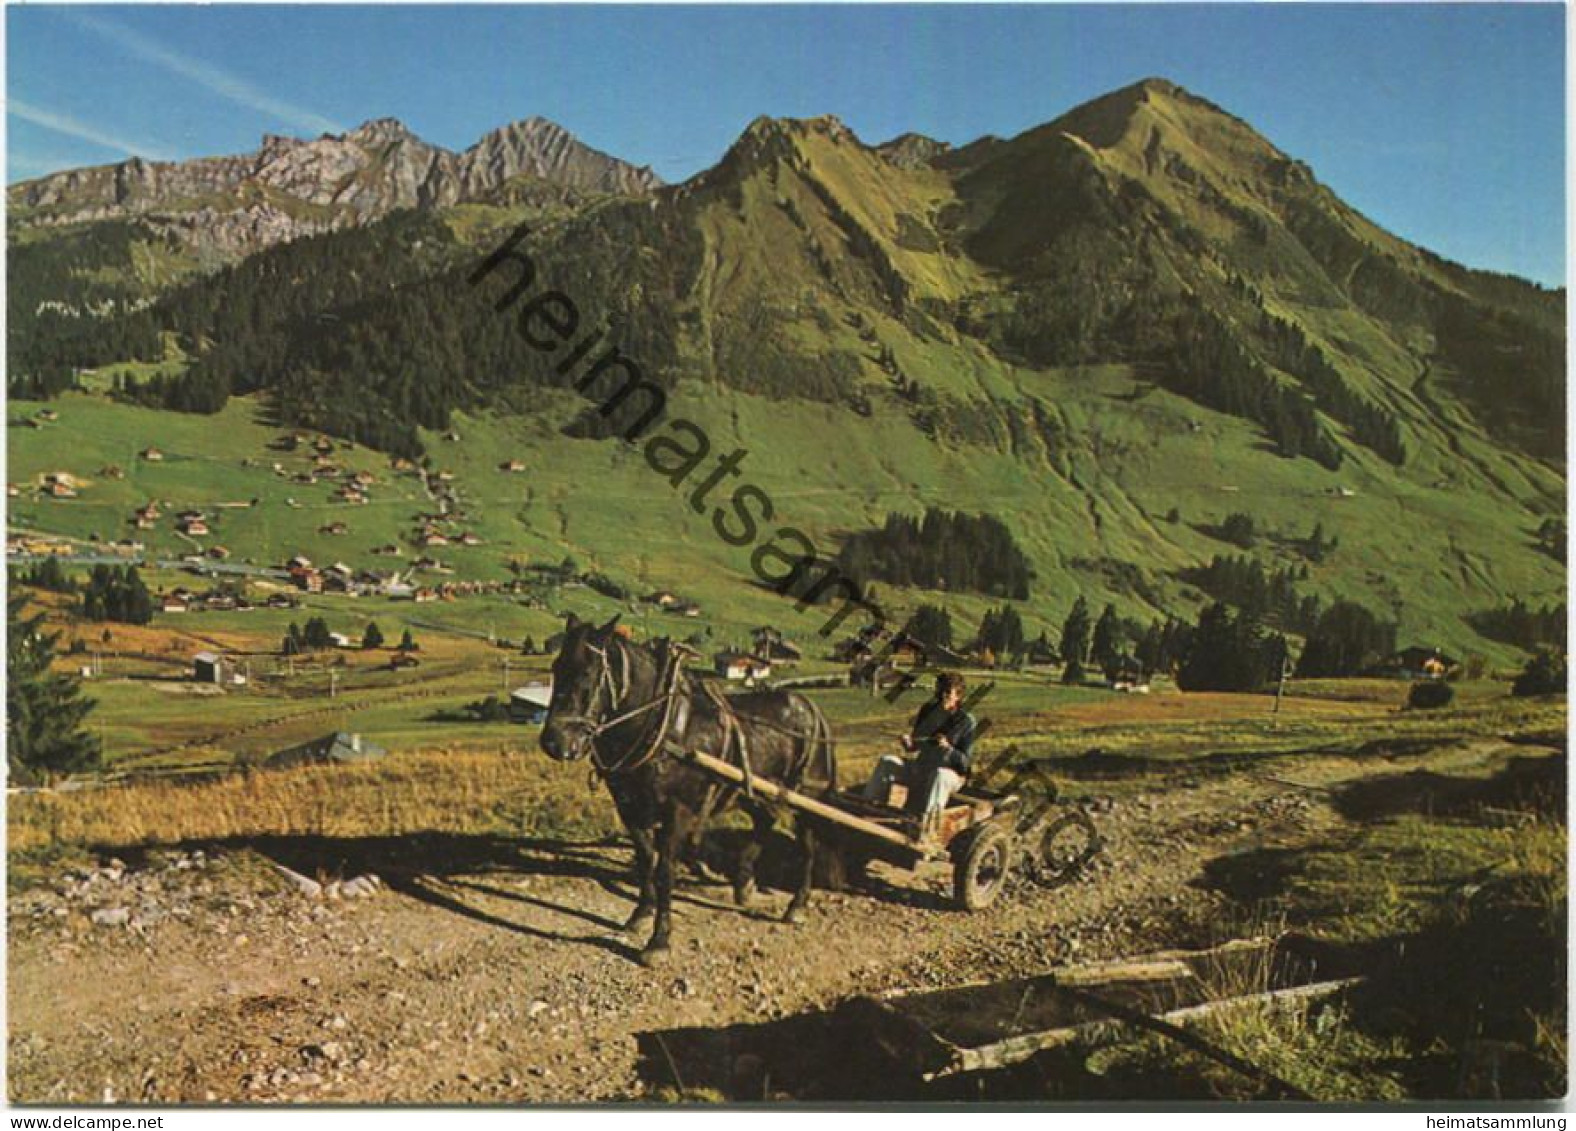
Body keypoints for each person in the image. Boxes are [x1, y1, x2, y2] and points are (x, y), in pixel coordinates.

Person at [862, 672, 977, 835]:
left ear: (958, 696)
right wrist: (908, 743)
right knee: (887, 761)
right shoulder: (928, 710)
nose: (941, 696)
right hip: (922, 768)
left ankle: (927, 829)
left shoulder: (966, 721)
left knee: (940, 775)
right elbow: (914, 746)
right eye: (939, 691)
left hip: (951, 776)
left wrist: (948, 749)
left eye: (946, 693)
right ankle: (869, 809)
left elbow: (965, 762)